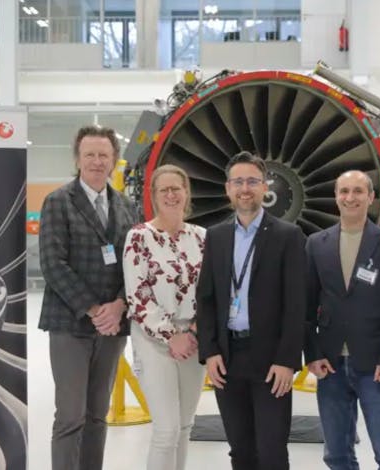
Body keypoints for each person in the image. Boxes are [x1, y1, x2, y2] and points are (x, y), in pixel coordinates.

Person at [196, 151, 307, 470]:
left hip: (271, 360)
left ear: (264, 187)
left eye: (253, 181)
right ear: (228, 188)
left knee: (272, 451)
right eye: (239, 181)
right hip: (227, 358)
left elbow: (296, 303)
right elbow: (206, 298)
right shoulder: (216, 236)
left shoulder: (288, 236)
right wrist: (210, 351)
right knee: (240, 450)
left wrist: (287, 361)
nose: (245, 188)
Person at [38, 125, 138, 470]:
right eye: (90, 154)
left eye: (104, 155)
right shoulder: (57, 202)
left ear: (114, 160)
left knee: (98, 414)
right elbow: (53, 265)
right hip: (70, 324)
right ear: (78, 159)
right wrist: (96, 310)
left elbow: (136, 264)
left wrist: (120, 305)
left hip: (112, 328)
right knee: (70, 416)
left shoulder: (126, 207)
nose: (97, 161)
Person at [305, 170, 380, 470]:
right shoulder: (316, 244)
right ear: (336, 197)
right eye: (344, 191)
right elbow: (307, 306)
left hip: (376, 365)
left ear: (371, 197)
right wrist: (312, 355)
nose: (351, 198)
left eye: (358, 191)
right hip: (330, 365)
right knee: (336, 455)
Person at [123, 164, 206, 470]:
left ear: (186, 193)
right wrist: (173, 335)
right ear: (154, 196)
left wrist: (193, 333)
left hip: (193, 340)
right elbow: (138, 295)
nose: (171, 195)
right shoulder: (139, 237)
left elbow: (212, 291)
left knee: (185, 426)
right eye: (164, 190)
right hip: (154, 339)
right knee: (166, 429)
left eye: (177, 188)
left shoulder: (201, 237)